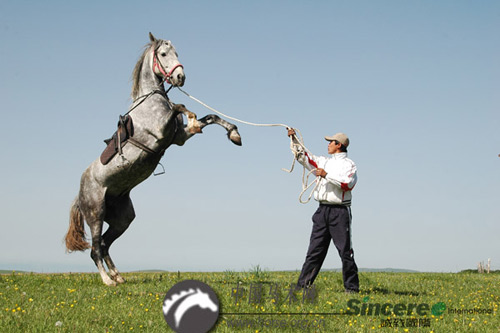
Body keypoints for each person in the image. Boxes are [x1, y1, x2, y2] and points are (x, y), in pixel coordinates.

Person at [287, 128, 359, 293]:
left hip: (340, 212)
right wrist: (294, 140)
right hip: (322, 211)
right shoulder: (324, 161)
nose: (328, 144)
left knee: (345, 251)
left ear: (338, 145)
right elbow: (305, 158)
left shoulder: (349, 165)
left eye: (330, 142)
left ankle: (352, 288)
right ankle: (302, 286)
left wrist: (326, 175)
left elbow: (348, 184)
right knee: (314, 250)